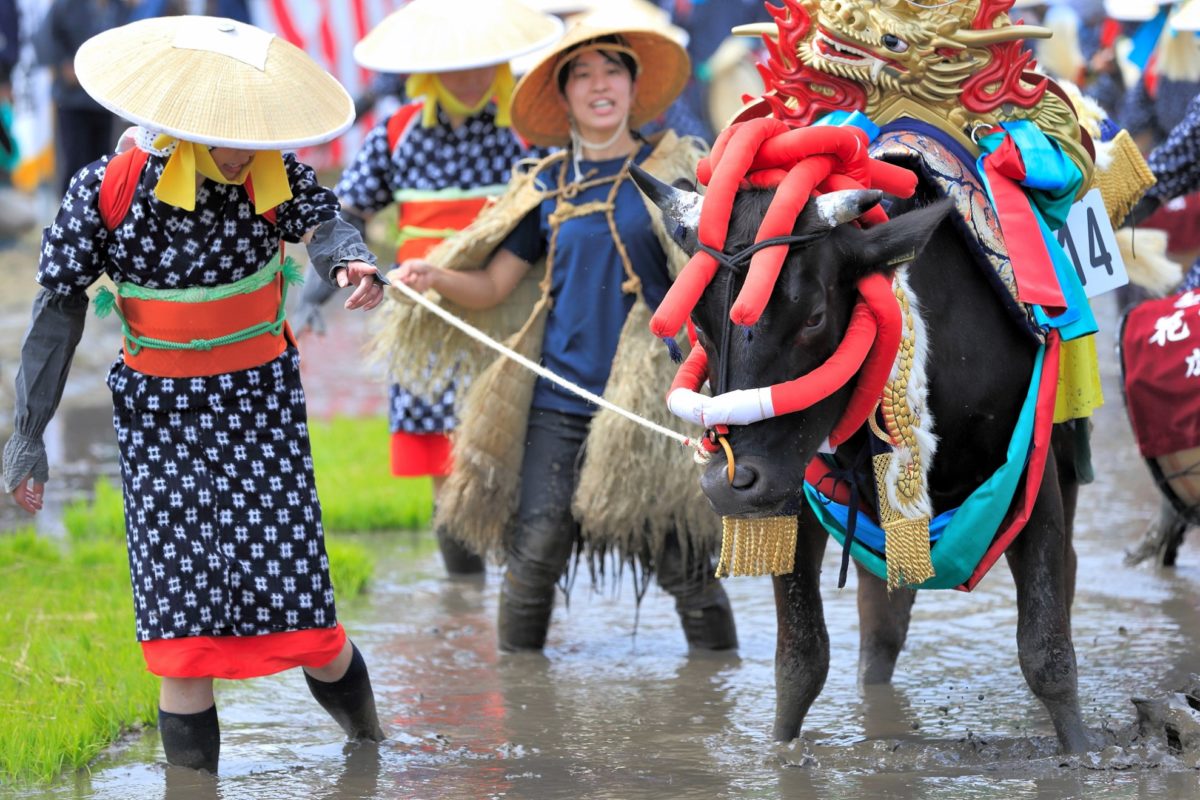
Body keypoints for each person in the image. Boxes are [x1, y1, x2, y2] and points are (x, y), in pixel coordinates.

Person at [2, 15, 386, 773]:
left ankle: (370, 749)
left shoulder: (274, 174)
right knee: (181, 637)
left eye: (255, 131)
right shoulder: (107, 190)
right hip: (158, 415)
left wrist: (349, 264)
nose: (245, 151)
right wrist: (26, 433)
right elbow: (57, 310)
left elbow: (325, 222)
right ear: (184, 125)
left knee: (307, 620)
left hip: (262, 410)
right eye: (229, 135)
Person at [387, 19, 738, 653]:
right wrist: (434, 274)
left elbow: (712, 274)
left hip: (646, 399)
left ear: (634, 87)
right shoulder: (546, 184)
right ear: (564, 93)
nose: (599, 85)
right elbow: (494, 286)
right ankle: (523, 715)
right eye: (583, 74)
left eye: (612, 71)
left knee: (680, 560)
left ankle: (718, 683)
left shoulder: (672, 171)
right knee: (534, 552)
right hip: (559, 397)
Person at [293, 0, 563, 577]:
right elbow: (351, 214)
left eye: (478, 63)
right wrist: (320, 291)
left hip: (506, 311)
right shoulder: (397, 133)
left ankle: (524, 599)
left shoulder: (525, 133)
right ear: (425, 71)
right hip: (424, 319)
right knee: (442, 461)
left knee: (510, 448)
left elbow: (557, 220)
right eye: (451, 65)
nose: (466, 77)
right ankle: (462, 595)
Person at [33, 0, 132, 195]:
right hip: (72, 101)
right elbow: (43, 39)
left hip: (104, 100)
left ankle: (96, 212)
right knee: (74, 162)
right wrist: (63, 65)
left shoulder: (119, 7)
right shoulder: (67, 5)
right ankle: (68, 213)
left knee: (102, 163)